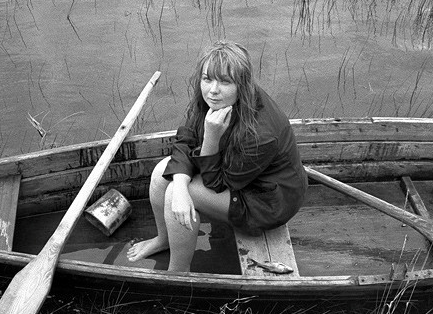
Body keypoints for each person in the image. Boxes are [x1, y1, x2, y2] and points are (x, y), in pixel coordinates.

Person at [127, 39, 307, 272]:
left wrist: (211, 137)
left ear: (241, 85)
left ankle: (178, 273)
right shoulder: (214, 99)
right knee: (162, 174)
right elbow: (186, 139)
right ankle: (164, 240)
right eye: (207, 79)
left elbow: (218, 183)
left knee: (174, 193)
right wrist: (181, 184)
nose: (213, 89)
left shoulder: (262, 134)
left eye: (224, 81)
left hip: (267, 201)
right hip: (235, 174)